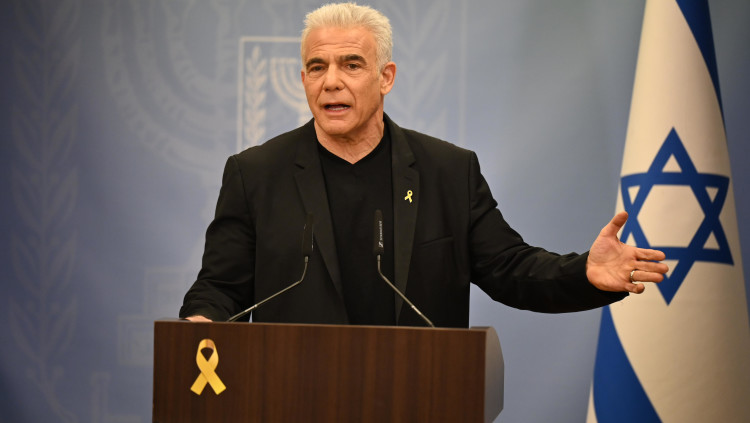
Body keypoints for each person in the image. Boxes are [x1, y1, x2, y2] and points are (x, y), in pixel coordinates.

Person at [179, 2, 667, 327]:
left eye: (351, 64)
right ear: (303, 79)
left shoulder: (448, 172)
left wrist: (584, 273)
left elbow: (510, 269)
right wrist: (200, 323)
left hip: (420, 394)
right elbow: (221, 287)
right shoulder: (255, 174)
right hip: (293, 396)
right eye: (316, 67)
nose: (331, 81)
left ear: (386, 77)